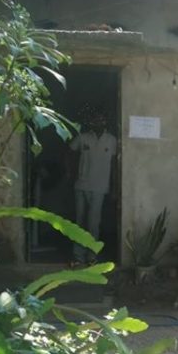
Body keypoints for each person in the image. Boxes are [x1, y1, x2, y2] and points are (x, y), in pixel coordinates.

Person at [69, 104, 117, 265]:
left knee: (93, 224)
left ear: (106, 121)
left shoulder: (112, 140)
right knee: (79, 223)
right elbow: (69, 154)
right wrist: (71, 174)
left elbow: (115, 166)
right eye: (95, 119)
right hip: (81, 185)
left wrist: (114, 187)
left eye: (101, 119)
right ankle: (78, 256)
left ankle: (91, 256)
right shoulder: (82, 138)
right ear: (90, 121)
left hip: (100, 187)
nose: (98, 122)